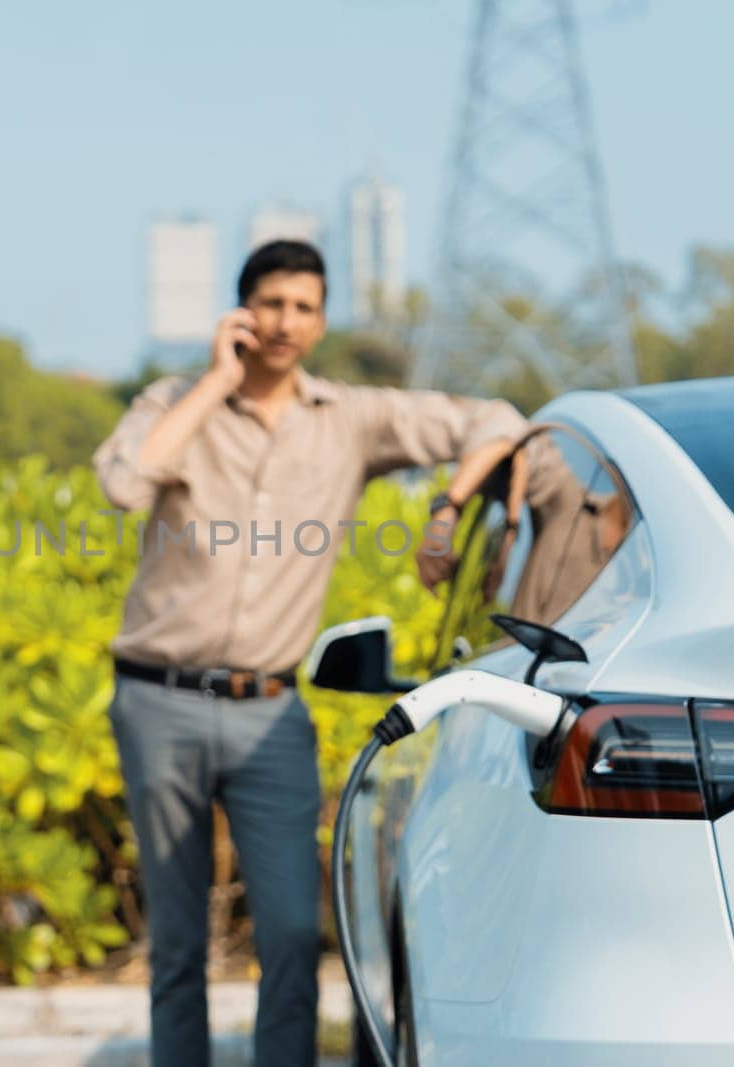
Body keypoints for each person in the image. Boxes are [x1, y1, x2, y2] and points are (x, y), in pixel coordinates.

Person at [92, 240, 528, 1067]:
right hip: (159, 701)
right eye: (271, 303)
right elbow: (125, 482)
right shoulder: (175, 399)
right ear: (241, 312)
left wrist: (447, 508)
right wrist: (217, 381)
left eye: (303, 307)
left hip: (270, 713)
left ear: (322, 320)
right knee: (179, 941)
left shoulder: (354, 419)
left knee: (293, 934)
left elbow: (499, 420)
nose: (286, 322)